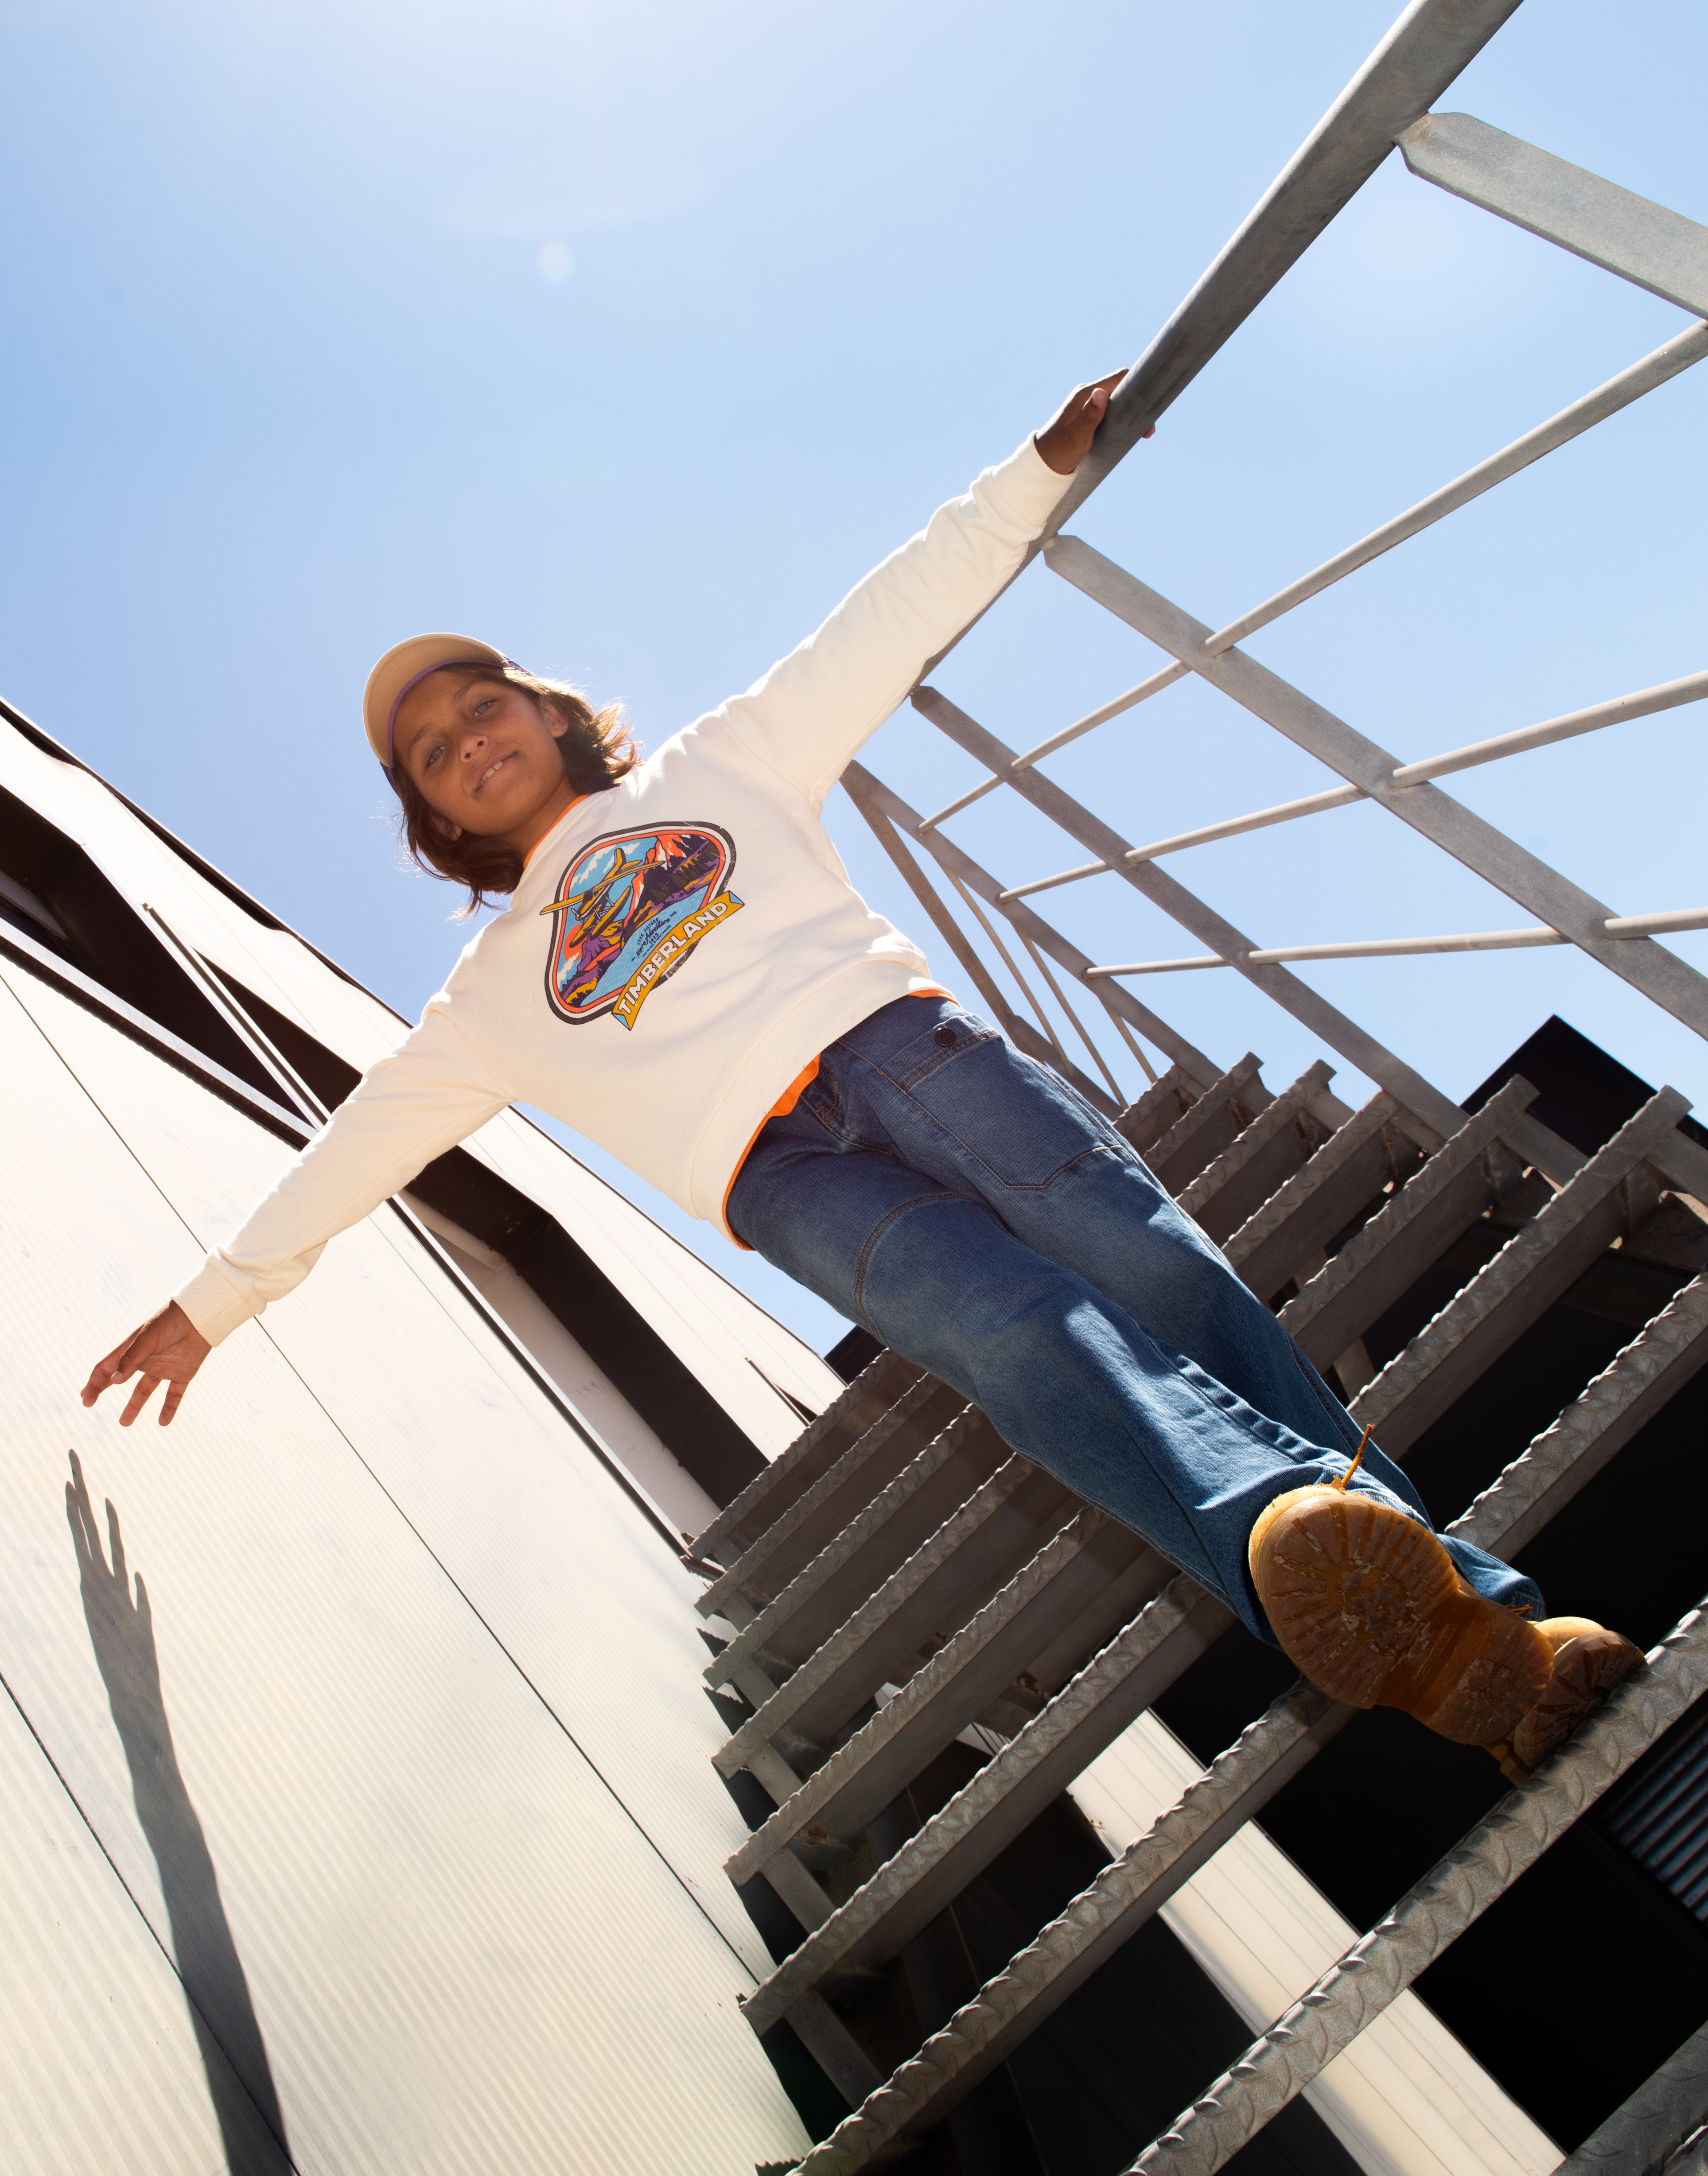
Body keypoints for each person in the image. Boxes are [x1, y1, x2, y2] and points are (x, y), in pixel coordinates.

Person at [82, 371, 1637, 1777]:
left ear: (544, 712)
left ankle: (1475, 1633)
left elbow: (875, 625)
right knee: (1026, 1341)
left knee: (1147, 1273)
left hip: (901, 1050)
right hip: (790, 1183)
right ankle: (1420, 1628)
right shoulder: (490, 995)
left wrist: (1029, 477)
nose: (465, 739)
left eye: (477, 703)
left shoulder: (716, 766)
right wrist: (216, 1302)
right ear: (437, 819)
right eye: (431, 751)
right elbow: (365, 1138)